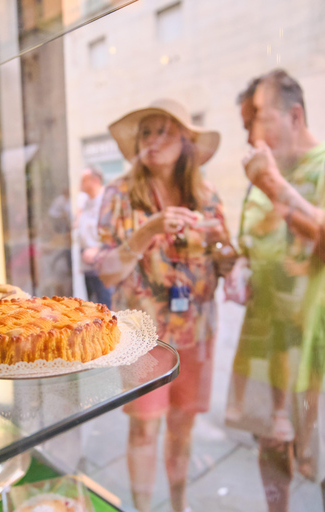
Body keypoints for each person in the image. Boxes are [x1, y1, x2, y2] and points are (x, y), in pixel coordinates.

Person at [225, 70, 325, 512]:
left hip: (317, 342)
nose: (248, 135)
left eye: (256, 120)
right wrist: (234, 265)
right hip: (265, 340)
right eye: (245, 124)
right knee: (270, 445)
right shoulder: (259, 177)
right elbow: (248, 248)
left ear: (294, 115)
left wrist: (275, 185)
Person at [95, 99, 234, 512]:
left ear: (186, 142)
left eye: (164, 131)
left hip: (196, 332)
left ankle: (178, 503)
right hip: (143, 335)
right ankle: (140, 507)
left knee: (183, 427)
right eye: (146, 132)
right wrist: (148, 230)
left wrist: (226, 256)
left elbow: (223, 254)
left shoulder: (207, 197)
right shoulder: (120, 194)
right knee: (143, 429)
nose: (153, 141)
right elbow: (106, 272)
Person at [77, 167, 112, 307]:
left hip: (104, 262)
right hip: (88, 264)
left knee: (106, 306)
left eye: (84, 180)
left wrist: (98, 250)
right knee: (91, 306)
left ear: (95, 180)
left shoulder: (108, 201)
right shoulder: (85, 202)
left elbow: (116, 236)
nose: (80, 183)